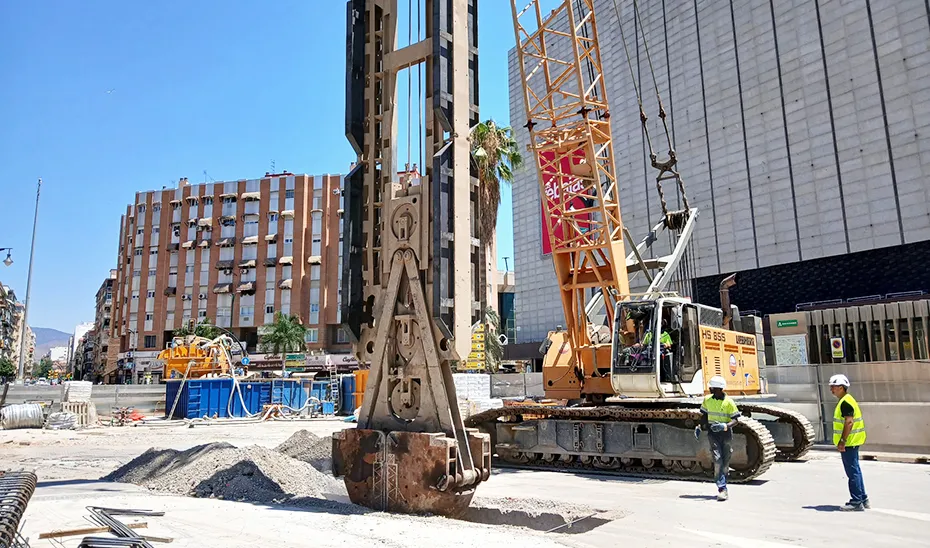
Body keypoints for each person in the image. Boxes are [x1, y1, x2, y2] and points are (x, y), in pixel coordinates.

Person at [696, 375, 740, 501]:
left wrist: (725, 426)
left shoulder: (729, 402)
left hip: (726, 434)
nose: (710, 389)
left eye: (712, 387)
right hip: (713, 434)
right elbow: (704, 416)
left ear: (718, 389)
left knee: (725, 460)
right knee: (718, 459)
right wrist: (699, 426)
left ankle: (723, 482)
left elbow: (735, 420)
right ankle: (722, 488)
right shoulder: (707, 400)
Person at [829, 374, 869, 511]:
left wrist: (842, 441)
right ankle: (863, 498)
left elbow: (849, 422)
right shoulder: (847, 399)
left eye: (833, 387)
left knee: (852, 472)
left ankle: (856, 502)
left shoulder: (845, 402)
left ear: (841, 387)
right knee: (856, 470)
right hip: (853, 440)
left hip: (849, 442)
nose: (831, 390)